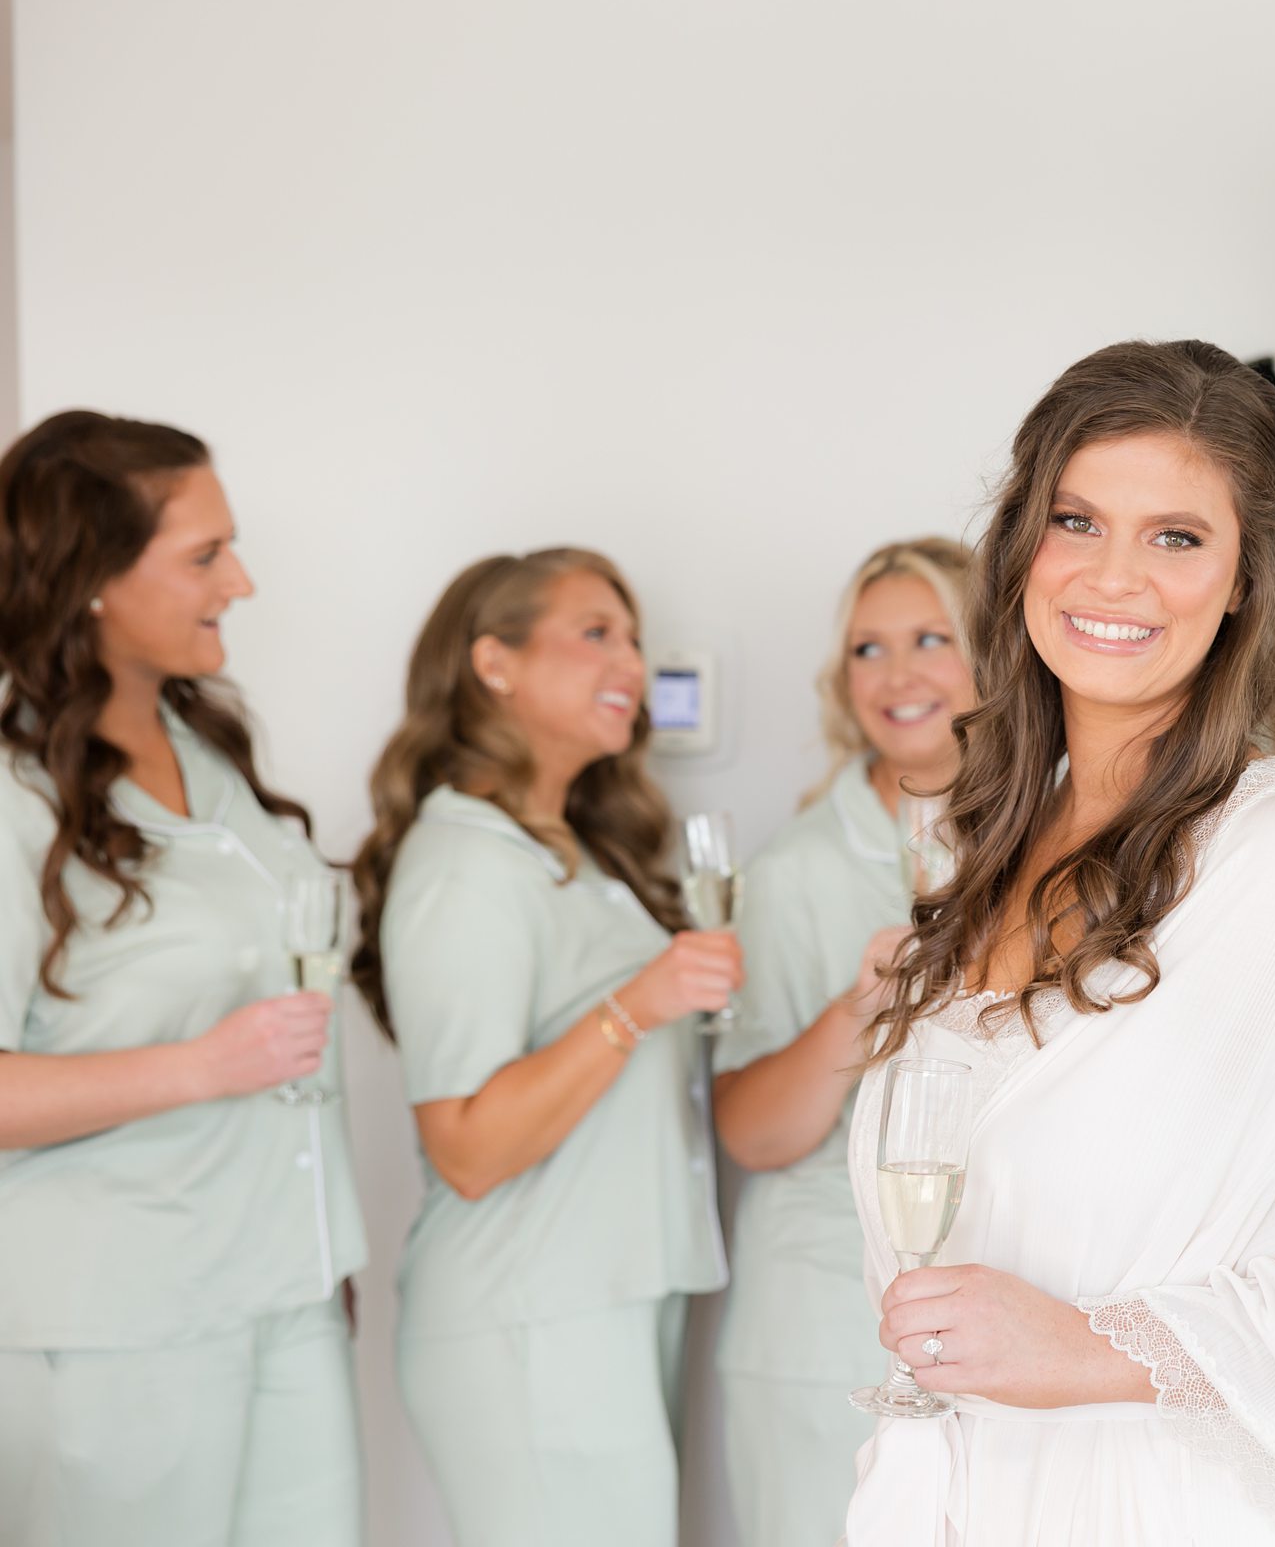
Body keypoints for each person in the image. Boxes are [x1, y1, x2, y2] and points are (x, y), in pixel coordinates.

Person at [841, 339, 1275, 1546]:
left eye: (1176, 537)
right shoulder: (988, 837)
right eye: (1076, 519)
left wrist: (1091, 1346)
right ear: (1021, 547)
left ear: (1248, 577)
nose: (1113, 578)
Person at [0, 412, 369, 1545]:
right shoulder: (16, 799)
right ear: (95, 577)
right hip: (118, 1326)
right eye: (206, 554)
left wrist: (315, 1242)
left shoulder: (209, 750)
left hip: (287, 1289)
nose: (242, 581)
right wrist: (201, 1066)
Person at [351, 548, 739, 1546]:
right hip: (530, 1315)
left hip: (603, 1299)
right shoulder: (464, 863)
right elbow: (467, 1147)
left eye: (637, 639)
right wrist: (638, 1004)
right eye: (596, 632)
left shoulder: (577, 852)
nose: (632, 664)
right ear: (495, 663)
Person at [711, 537, 976, 1545]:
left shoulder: (1060, 843)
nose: (897, 674)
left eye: (928, 639)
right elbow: (750, 1133)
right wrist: (857, 1007)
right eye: (869, 649)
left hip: (997, 1323)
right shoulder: (794, 871)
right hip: (823, 1328)